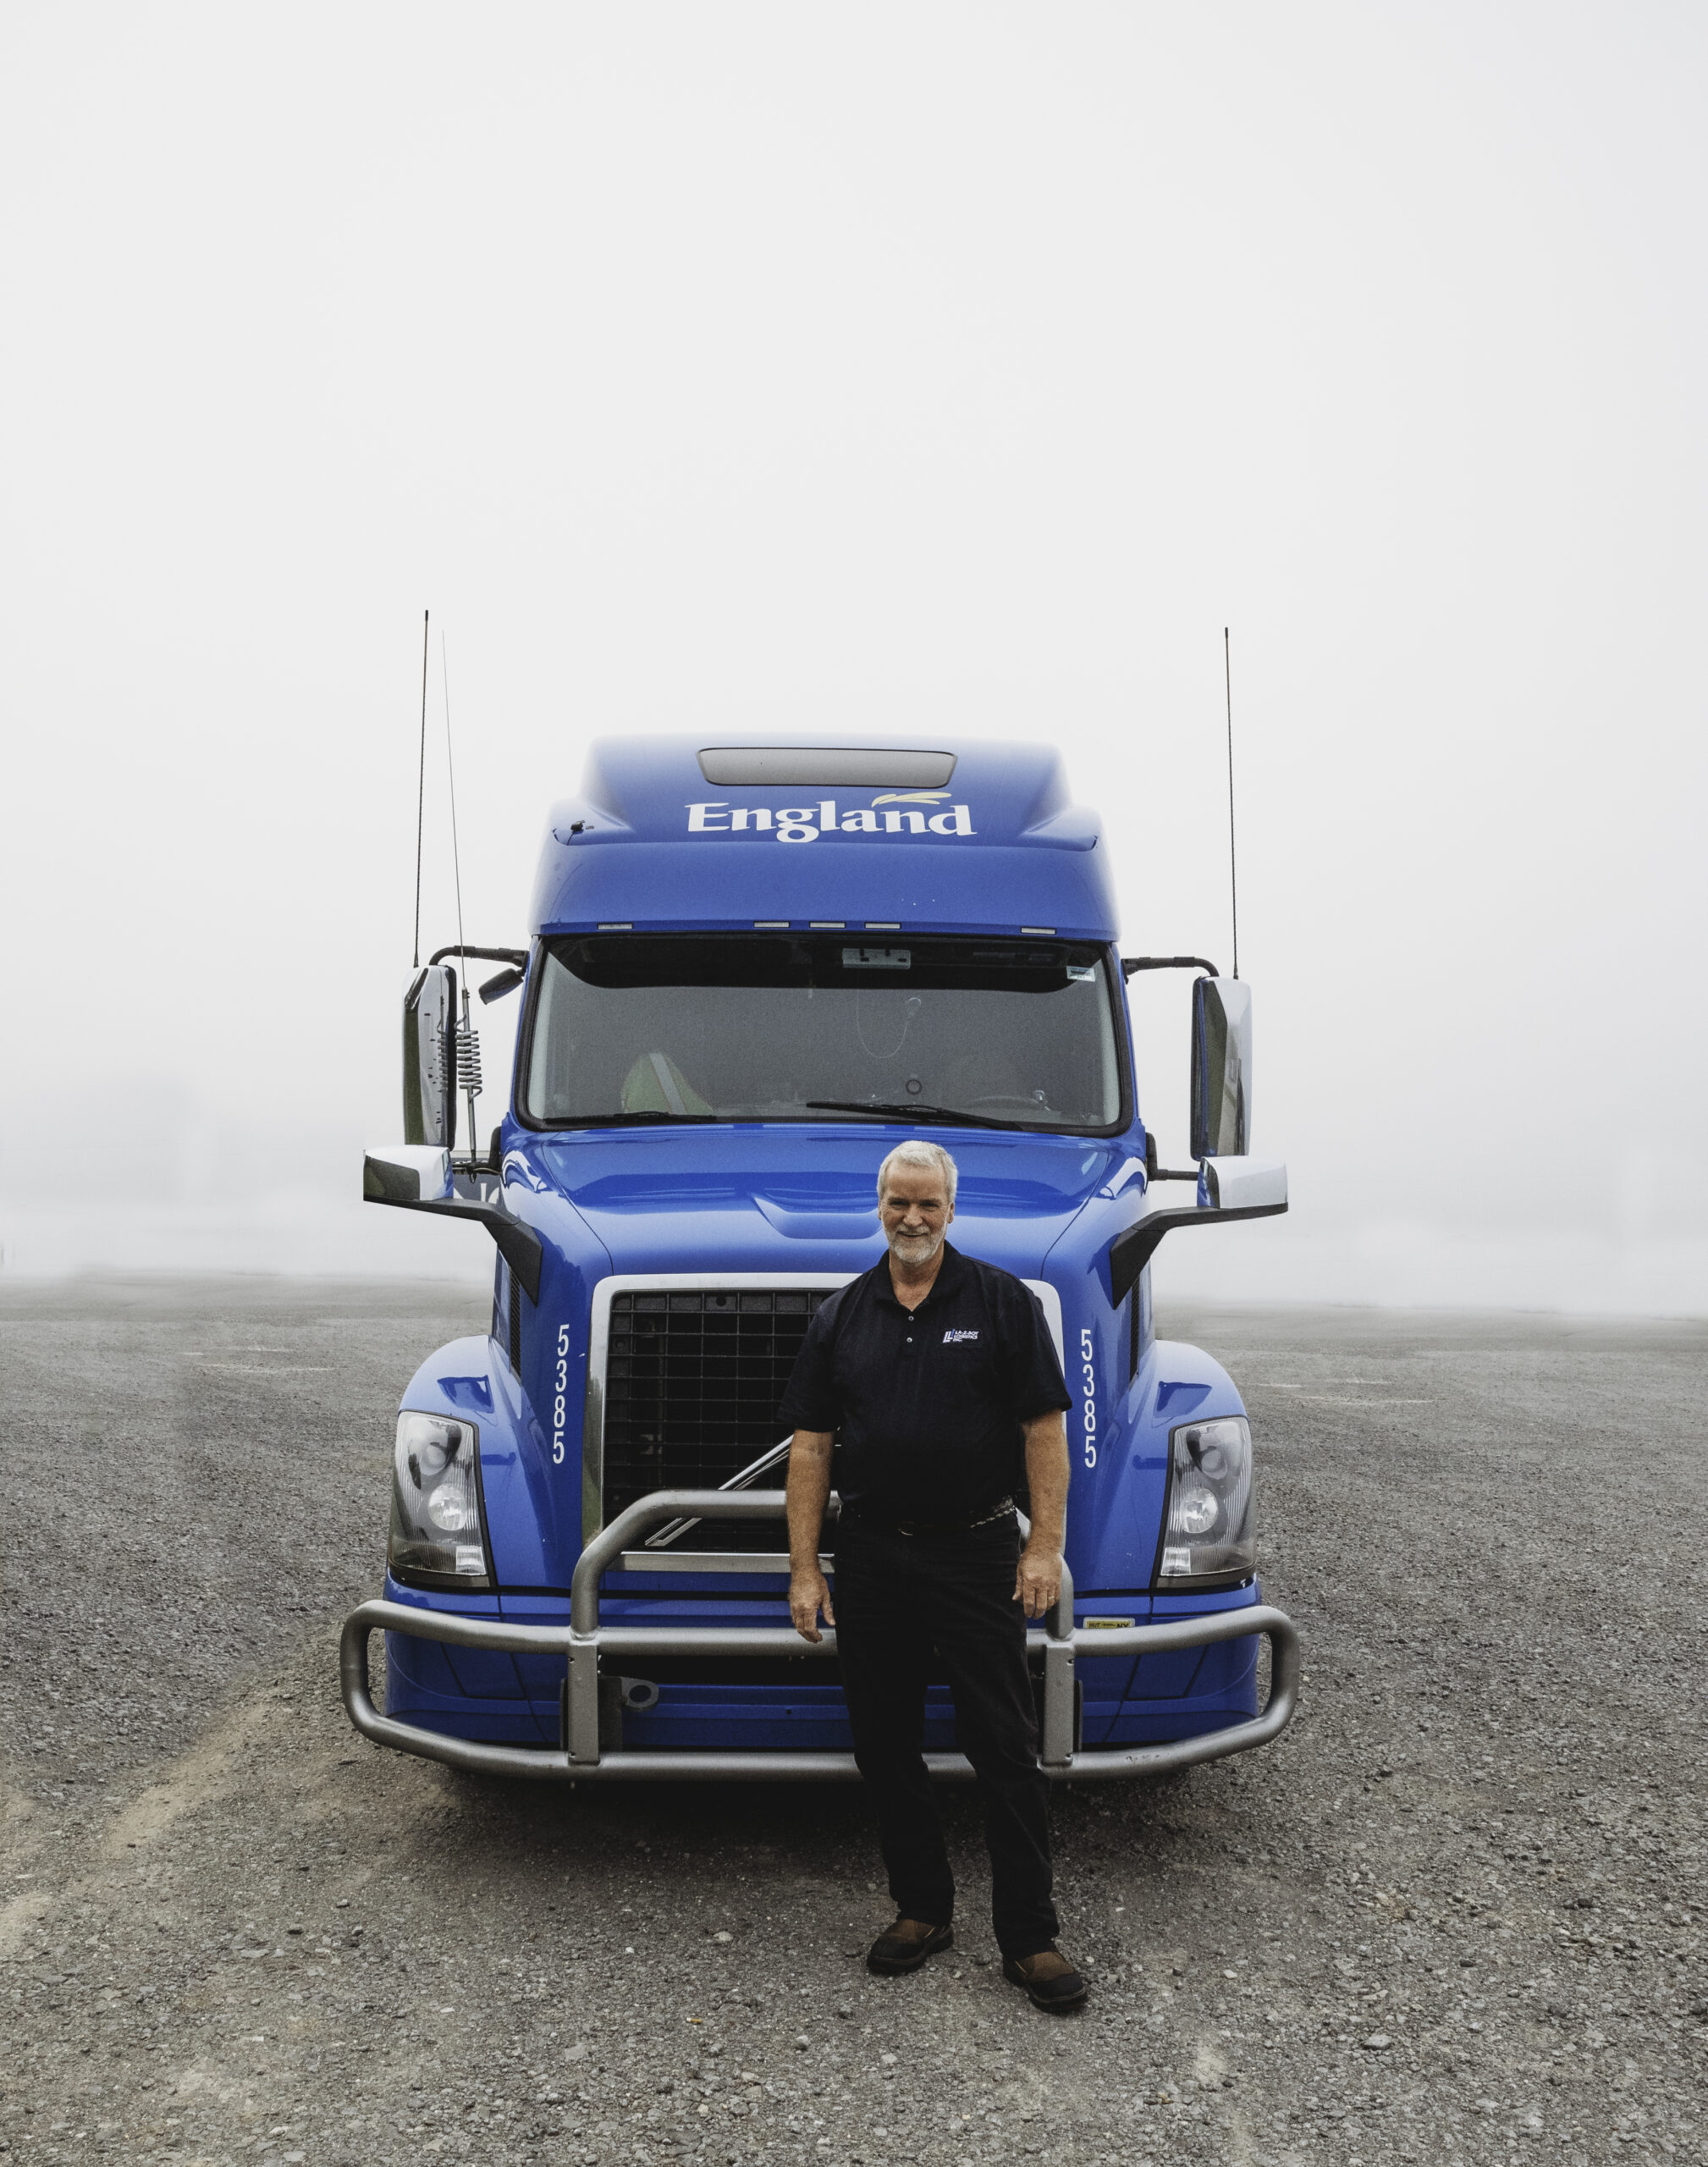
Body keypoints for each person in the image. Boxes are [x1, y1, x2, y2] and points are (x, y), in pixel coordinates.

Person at [778, 1139, 1088, 2013]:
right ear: (876, 1206)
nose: (912, 1218)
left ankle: (1027, 1936)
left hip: (976, 1552)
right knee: (883, 1743)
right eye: (897, 1203)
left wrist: (1042, 1546)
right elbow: (810, 1447)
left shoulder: (1000, 1302)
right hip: (871, 1554)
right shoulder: (842, 1314)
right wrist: (804, 1567)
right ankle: (921, 1909)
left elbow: (1042, 1430)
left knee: (1002, 1746)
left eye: (928, 1204)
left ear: (952, 1209)